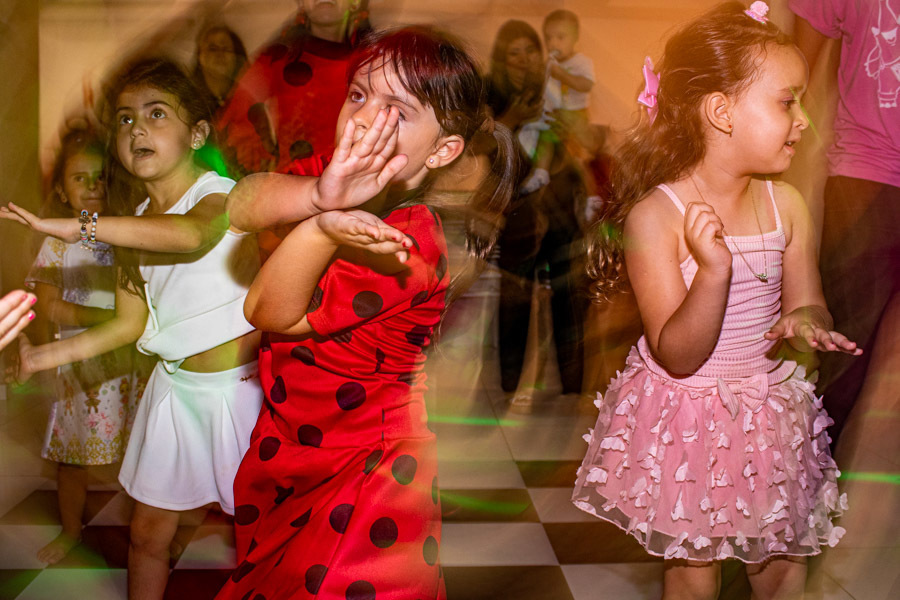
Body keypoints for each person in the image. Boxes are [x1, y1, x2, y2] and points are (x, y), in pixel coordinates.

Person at [214, 26, 517, 599]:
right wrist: (318, 196)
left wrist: (320, 228)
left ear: (443, 151)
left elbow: (268, 310)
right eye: (358, 94)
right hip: (295, 441)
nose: (364, 118)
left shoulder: (410, 239)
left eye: (396, 111)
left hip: (363, 466)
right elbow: (241, 203)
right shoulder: (338, 172)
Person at [572, 3, 859, 598]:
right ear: (722, 112)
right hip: (689, 419)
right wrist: (713, 273)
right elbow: (677, 354)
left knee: (783, 565)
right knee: (693, 573)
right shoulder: (658, 217)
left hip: (767, 415)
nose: (804, 119)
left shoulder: (788, 207)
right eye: (787, 102)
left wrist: (808, 321)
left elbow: (809, 299)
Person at [1, 58, 263, 600]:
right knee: (146, 535)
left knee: (261, 535)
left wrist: (80, 227)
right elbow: (129, 323)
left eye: (156, 113)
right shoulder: (134, 221)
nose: (136, 129)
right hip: (175, 393)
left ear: (197, 135)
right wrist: (39, 359)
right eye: (124, 119)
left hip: (241, 397)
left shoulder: (220, 193)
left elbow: (191, 235)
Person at [21, 129, 148, 564]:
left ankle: (146, 537)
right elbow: (50, 306)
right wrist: (111, 320)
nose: (93, 186)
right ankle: (71, 530)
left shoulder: (128, 234)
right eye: (80, 178)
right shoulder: (57, 243)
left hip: (129, 365)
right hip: (80, 369)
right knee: (72, 456)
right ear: (61, 190)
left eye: (101, 177)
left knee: (140, 453)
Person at [788, 0, 900, 445]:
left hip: (862, 178)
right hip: (865, 176)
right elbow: (794, 70)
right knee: (845, 353)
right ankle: (813, 475)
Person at [486, 20, 587, 407]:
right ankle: (508, 385)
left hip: (560, 203)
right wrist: (513, 120)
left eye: (530, 50)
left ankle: (573, 387)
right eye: (515, 52)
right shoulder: (490, 91)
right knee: (514, 298)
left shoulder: (555, 84)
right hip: (517, 210)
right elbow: (476, 147)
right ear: (502, 57)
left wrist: (569, 129)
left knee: (570, 295)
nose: (524, 59)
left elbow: (582, 140)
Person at [216, 0, 371, 177]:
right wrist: (259, 158)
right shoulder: (278, 57)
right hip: (290, 181)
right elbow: (236, 115)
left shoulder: (370, 64)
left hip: (351, 181)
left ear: (355, 3)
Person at [519, 9, 595, 195]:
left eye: (560, 37)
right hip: (554, 114)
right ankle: (541, 173)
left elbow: (586, 85)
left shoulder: (581, 62)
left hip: (576, 113)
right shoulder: (549, 64)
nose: (553, 43)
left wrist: (562, 74)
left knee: (580, 155)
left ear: (575, 38)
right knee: (544, 139)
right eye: (548, 38)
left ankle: (591, 193)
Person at [193, 23, 248, 110]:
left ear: (236, 58)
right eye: (213, 49)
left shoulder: (248, 99)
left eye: (227, 49)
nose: (220, 54)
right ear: (200, 56)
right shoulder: (189, 99)